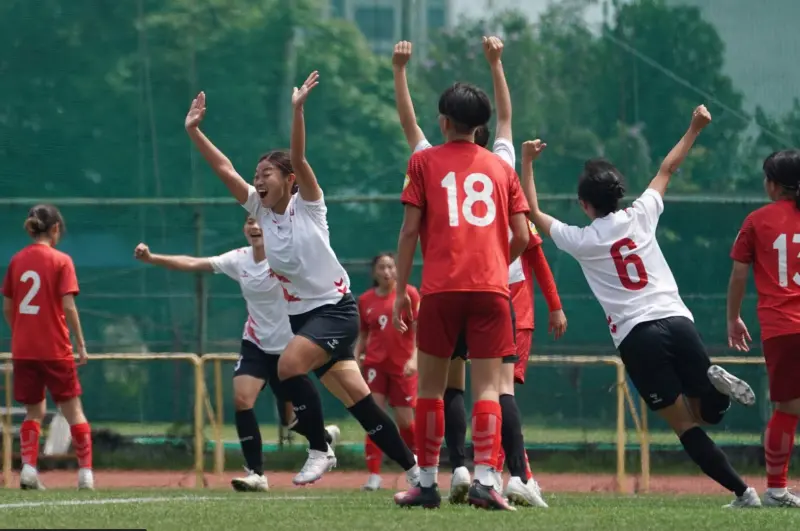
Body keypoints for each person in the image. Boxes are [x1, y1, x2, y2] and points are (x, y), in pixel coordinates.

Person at [520, 105, 762, 508]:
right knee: (708, 412)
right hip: (677, 319)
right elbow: (667, 168)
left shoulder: (582, 240)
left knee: (685, 426)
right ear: (619, 193)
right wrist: (694, 128)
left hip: (638, 335)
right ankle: (713, 388)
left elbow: (531, 210)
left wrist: (527, 162)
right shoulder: (641, 214)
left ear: (584, 204)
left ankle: (744, 492)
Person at [184, 77, 419, 487]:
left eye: (268, 172)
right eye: (257, 173)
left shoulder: (308, 206)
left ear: (289, 179)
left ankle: (319, 448)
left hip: (336, 309)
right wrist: (194, 131)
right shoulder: (258, 207)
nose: (258, 179)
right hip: (304, 319)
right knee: (361, 405)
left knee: (289, 366)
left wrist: (297, 110)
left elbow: (299, 155)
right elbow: (224, 168)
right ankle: (419, 474)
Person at [391, 37, 563, 507]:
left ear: (444, 122)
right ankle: (488, 480)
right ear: (482, 125)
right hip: (493, 289)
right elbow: (526, 238)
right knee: (490, 387)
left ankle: (426, 483)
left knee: (430, 387)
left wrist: (400, 291)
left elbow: (408, 232)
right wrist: (492, 255)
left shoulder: (423, 162)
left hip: (441, 288)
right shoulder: (502, 167)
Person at [133, 216, 337, 492]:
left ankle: (322, 439)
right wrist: (153, 258)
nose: (254, 227)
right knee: (242, 399)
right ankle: (256, 474)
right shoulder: (238, 259)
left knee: (292, 422)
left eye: (260, 223)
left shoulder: (286, 258)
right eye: (250, 222)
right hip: (255, 343)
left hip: (288, 348)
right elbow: (195, 263)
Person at [2, 205, 94, 490]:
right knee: (74, 411)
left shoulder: (17, 260)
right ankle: (85, 475)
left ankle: (29, 469)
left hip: (25, 349)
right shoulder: (61, 260)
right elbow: (68, 305)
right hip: (55, 348)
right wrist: (80, 342)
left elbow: (7, 306)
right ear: (55, 229)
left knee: (33, 412)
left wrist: (21, 332)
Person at [727, 149, 800, 508]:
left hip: (781, 326)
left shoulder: (756, 220)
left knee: (788, 408)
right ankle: (776, 491)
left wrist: (733, 318)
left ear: (773, 184)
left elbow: (739, 273)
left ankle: (776, 489)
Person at [355, 253, 419, 491]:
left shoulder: (409, 294)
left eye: (391, 267)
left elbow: (418, 330)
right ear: (374, 272)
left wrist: (414, 358)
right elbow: (363, 334)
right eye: (381, 267)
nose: (386, 272)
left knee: (405, 420)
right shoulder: (365, 300)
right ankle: (373, 475)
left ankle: (416, 463)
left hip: (402, 366)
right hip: (375, 365)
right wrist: (355, 358)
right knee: (375, 416)